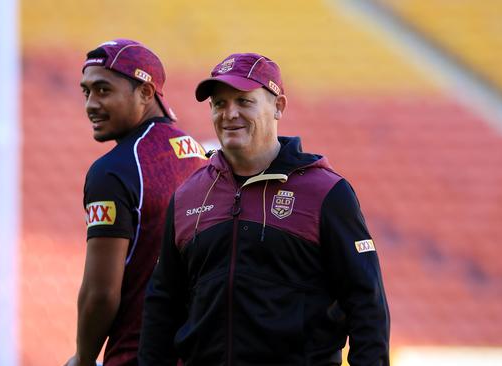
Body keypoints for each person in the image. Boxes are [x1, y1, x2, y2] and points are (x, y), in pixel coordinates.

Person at [139, 53, 390, 365]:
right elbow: (163, 303)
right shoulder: (188, 196)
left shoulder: (327, 192)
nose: (229, 113)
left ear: (278, 107)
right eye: (219, 104)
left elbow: (366, 301)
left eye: (244, 101)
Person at [64, 39, 206, 366]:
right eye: (86, 92)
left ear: (145, 92)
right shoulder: (199, 153)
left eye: (103, 90)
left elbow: (101, 293)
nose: (90, 104)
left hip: (137, 355)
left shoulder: (114, 171)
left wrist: (83, 358)